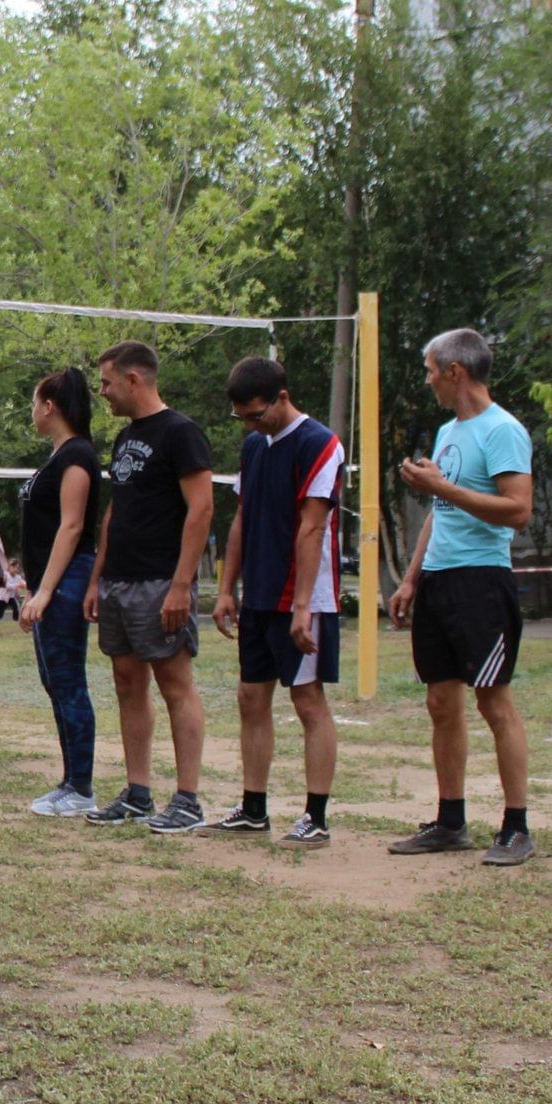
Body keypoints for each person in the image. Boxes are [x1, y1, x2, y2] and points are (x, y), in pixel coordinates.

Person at [385, 329, 536, 865]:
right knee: (439, 701)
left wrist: (441, 488)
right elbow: (439, 514)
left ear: (455, 371)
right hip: (440, 581)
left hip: (481, 581)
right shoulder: (450, 429)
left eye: (430, 370)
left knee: (493, 700)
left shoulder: (503, 430)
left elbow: (518, 510)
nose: (427, 380)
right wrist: (411, 578)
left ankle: (516, 827)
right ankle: (451, 821)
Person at [210, 357, 343, 848]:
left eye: (256, 415)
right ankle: (253, 807)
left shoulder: (320, 444)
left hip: (304, 596)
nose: (250, 424)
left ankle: (316, 815)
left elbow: (312, 527)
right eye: (242, 417)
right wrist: (228, 588)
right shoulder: (253, 446)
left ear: (282, 398)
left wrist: (304, 607)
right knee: (251, 697)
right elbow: (242, 519)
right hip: (260, 596)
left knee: (307, 701)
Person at [82, 341, 214, 833]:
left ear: (134, 380)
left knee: (175, 686)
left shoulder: (181, 433)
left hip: (162, 582)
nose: (103, 393)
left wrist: (182, 586)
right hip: (119, 582)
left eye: (107, 383)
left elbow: (201, 509)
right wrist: (98, 579)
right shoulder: (125, 439)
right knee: (127, 684)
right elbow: (116, 512)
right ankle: (138, 793)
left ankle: (188, 799)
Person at [18, 368, 103, 817]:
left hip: (67, 581)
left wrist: (46, 592)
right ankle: (70, 781)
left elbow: (72, 527)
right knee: (55, 681)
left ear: (49, 406)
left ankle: (81, 788)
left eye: (35, 402)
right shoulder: (59, 456)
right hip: (50, 581)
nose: (33, 411)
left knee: (69, 682)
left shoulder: (77, 456)